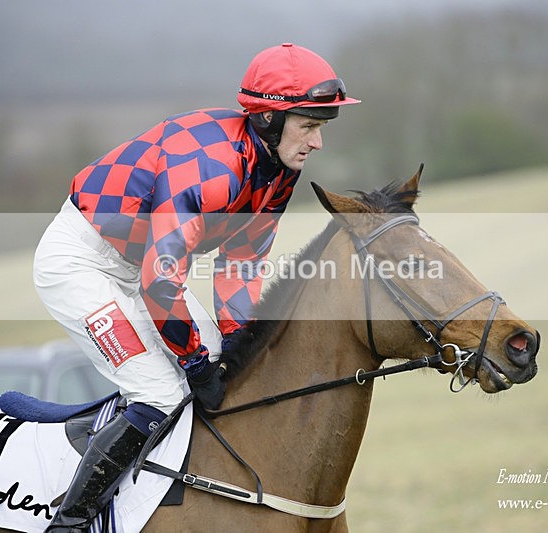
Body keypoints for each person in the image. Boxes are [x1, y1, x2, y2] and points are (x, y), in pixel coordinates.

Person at [33, 42, 359, 531]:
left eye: (321, 128)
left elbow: (242, 264)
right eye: (309, 126)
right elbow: (160, 284)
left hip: (142, 268)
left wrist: (236, 344)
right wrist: (194, 362)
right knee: (163, 391)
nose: (317, 143)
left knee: (223, 373)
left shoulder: (277, 169)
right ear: (269, 120)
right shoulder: (211, 168)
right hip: (81, 262)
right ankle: (70, 523)